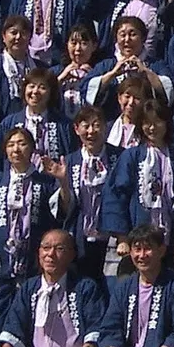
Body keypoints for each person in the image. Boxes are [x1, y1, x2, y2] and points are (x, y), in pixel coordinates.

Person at [0, 230, 108, 347]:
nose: (50, 254)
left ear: (72, 254)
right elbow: (15, 323)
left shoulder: (85, 287)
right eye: (46, 247)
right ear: (39, 252)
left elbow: (97, 325)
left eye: (59, 249)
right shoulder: (30, 288)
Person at [0, 127, 72, 283]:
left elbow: (63, 210)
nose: (16, 149)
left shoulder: (45, 182)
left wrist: (63, 182)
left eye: (22, 143)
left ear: (31, 149)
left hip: (33, 256)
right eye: (10, 145)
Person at [103, 99, 174, 277]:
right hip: (136, 236)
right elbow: (116, 195)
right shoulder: (131, 156)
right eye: (147, 123)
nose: (152, 128)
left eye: (157, 122)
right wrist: (122, 238)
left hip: (169, 236)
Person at [63, 106, 123, 282]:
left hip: (111, 236)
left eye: (96, 125)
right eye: (85, 126)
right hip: (80, 238)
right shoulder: (68, 162)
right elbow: (63, 208)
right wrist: (62, 182)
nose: (91, 131)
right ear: (76, 129)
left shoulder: (120, 157)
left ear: (105, 127)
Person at [81, 16, 174, 120]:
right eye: (122, 35)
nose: (127, 39)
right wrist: (112, 74)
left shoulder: (156, 64)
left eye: (133, 34)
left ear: (143, 38)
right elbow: (86, 89)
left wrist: (147, 73)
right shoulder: (106, 65)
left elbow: (170, 90)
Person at [0, 69, 76, 175]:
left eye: (42, 87)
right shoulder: (9, 123)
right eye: (31, 86)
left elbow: (72, 157)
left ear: (51, 92)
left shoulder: (64, 124)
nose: (35, 91)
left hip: (54, 185)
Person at [52, 24, 99, 121]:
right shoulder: (55, 72)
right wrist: (60, 79)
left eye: (84, 43)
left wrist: (94, 79)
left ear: (94, 46)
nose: (78, 48)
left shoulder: (99, 71)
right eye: (73, 43)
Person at [105, 77, 148, 150]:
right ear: (119, 98)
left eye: (137, 98)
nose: (131, 102)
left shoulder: (147, 131)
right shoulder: (107, 128)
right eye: (127, 96)